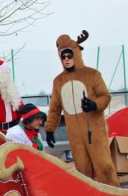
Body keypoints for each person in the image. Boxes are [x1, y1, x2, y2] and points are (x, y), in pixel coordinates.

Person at [44, 30, 118, 186]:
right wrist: (50, 129)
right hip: (75, 135)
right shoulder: (58, 81)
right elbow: (55, 108)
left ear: (75, 54)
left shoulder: (92, 75)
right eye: (63, 56)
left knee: (104, 167)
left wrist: (94, 105)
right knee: (83, 172)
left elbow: (105, 96)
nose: (66, 59)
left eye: (69, 55)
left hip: (95, 132)